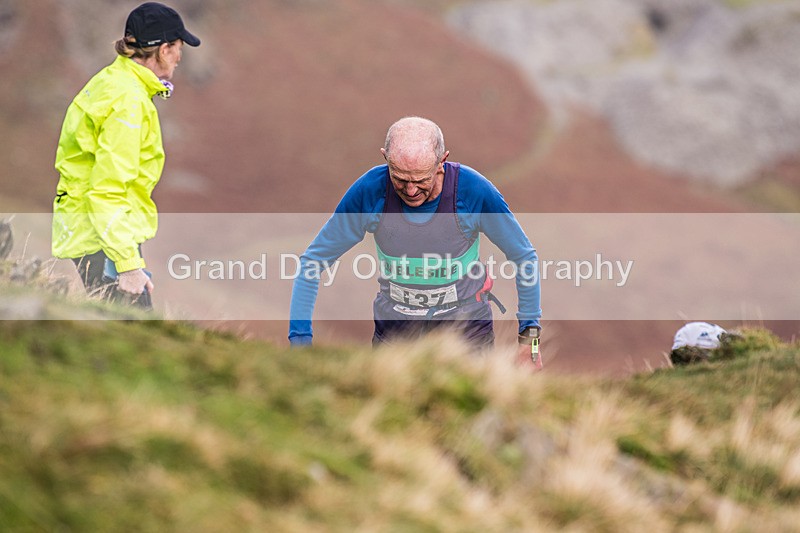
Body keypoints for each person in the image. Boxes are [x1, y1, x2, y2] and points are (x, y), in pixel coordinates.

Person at [289, 117, 542, 364]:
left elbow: (524, 257)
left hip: (467, 334)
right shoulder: (370, 191)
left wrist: (529, 338)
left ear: (442, 162)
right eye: (400, 178)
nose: (411, 191)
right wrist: (300, 342)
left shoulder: (474, 191)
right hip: (394, 336)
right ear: (385, 158)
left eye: (421, 180)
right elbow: (313, 261)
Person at [52, 2, 200, 308]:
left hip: (100, 231)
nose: (180, 55)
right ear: (163, 50)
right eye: (178, 46)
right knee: (137, 336)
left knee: (121, 335)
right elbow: (107, 190)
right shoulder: (128, 102)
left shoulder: (111, 80)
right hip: (103, 237)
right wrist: (127, 265)